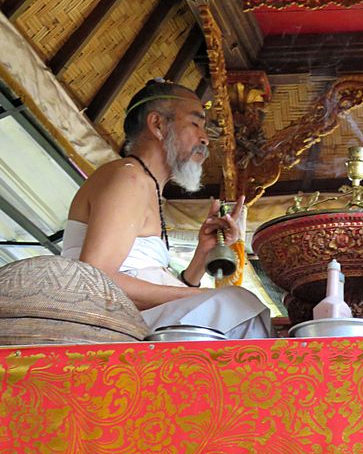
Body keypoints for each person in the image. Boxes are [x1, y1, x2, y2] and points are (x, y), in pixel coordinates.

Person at [62, 78, 271, 339]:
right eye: (195, 124)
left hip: (130, 324)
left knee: (236, 302)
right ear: (158, 125)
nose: (205, 139)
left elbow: (151, 288)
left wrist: (201, 257)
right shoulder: (128, 178)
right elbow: (94, 278)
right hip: (102, 329)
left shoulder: (144, 184)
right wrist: (200, 296)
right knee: (238, 303)